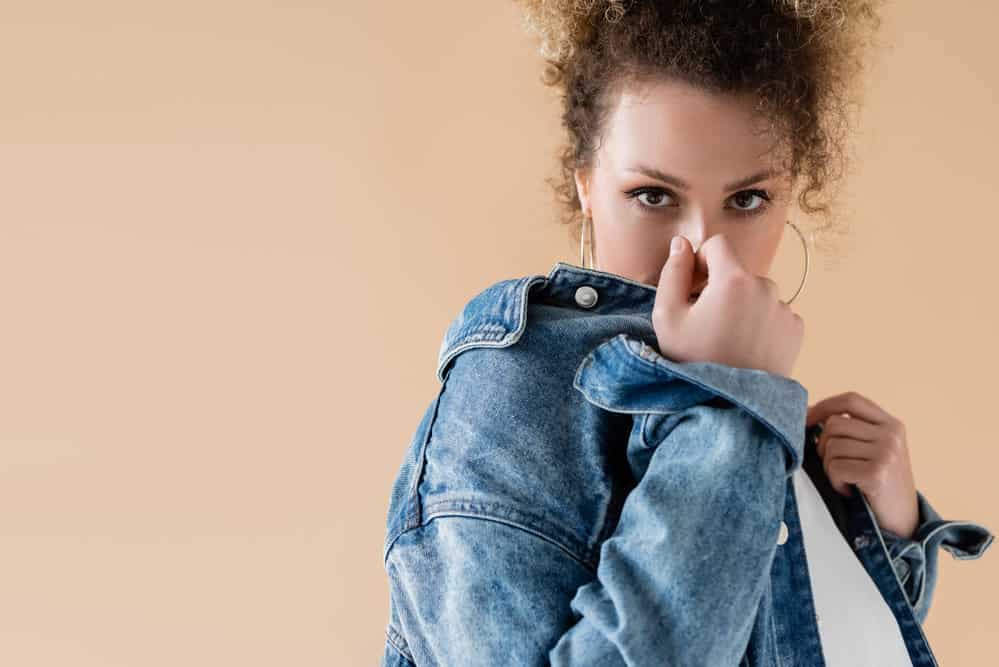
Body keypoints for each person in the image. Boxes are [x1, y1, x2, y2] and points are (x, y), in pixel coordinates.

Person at [380, 1, 994, 665]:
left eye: (746, 199)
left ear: (790, 196)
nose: (703, 250)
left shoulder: (768, 422)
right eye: (652, 195)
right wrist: (729, 403)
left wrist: (884, 539)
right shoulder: (515, 391)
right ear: (585, 185)